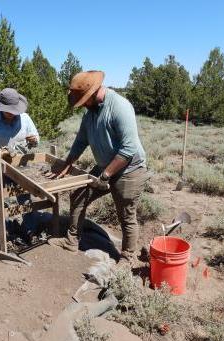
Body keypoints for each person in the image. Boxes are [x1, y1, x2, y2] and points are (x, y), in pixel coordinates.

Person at [48, 71, 149, 263]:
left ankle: (128, 259)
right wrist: (67, 163)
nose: (83, 105)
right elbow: (80, 141)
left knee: (126, 214)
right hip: (105, 165)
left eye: (84, 101)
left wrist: (106, 175)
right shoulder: (90, 113)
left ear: (93, 94)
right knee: (78, 195)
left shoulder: (119, 106)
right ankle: (71, 241)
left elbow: (129, 149)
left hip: (129, 169)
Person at [0, 87, 39, 186]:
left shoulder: (25, 118)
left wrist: (34, 140)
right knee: (2, 198)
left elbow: (36, 139)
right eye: (8, 110)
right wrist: (0, 152)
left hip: (21, 166)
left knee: (24, 197)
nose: (11, 113)